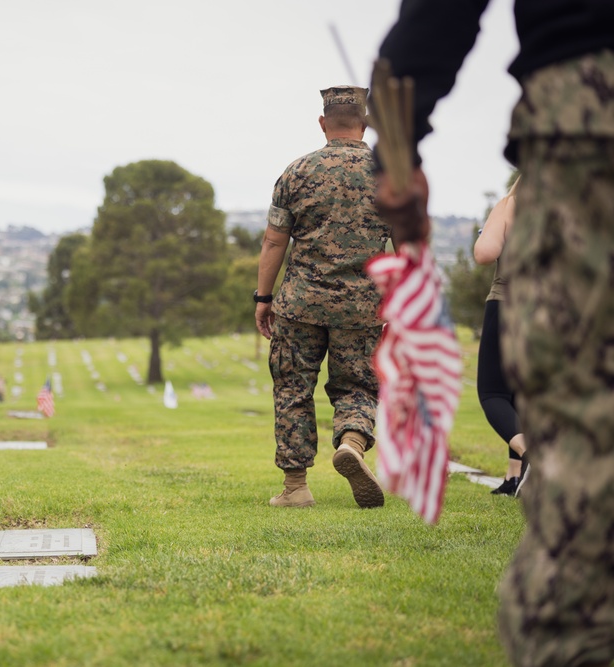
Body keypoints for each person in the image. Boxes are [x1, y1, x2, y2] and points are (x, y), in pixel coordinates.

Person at [374, 4, 614, 664]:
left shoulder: (512, 198)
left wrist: (397, 144)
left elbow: (439, 13)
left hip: (587, 124)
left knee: (581, 476)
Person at [255, 85, 391, 510]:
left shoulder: (296, 172)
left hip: (300, 303)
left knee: (293, 387)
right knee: (359, 385)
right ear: (365, 124)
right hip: (364, 306)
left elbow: (274, 242)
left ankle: (296, 488)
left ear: (323, 123)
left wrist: (262, 297)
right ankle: (351, 441)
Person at [473, 177, 527, 496]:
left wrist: (491, 228)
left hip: (509, 304)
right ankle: (514, 477)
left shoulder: (511, 206)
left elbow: (484, 253)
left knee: (494, 393)